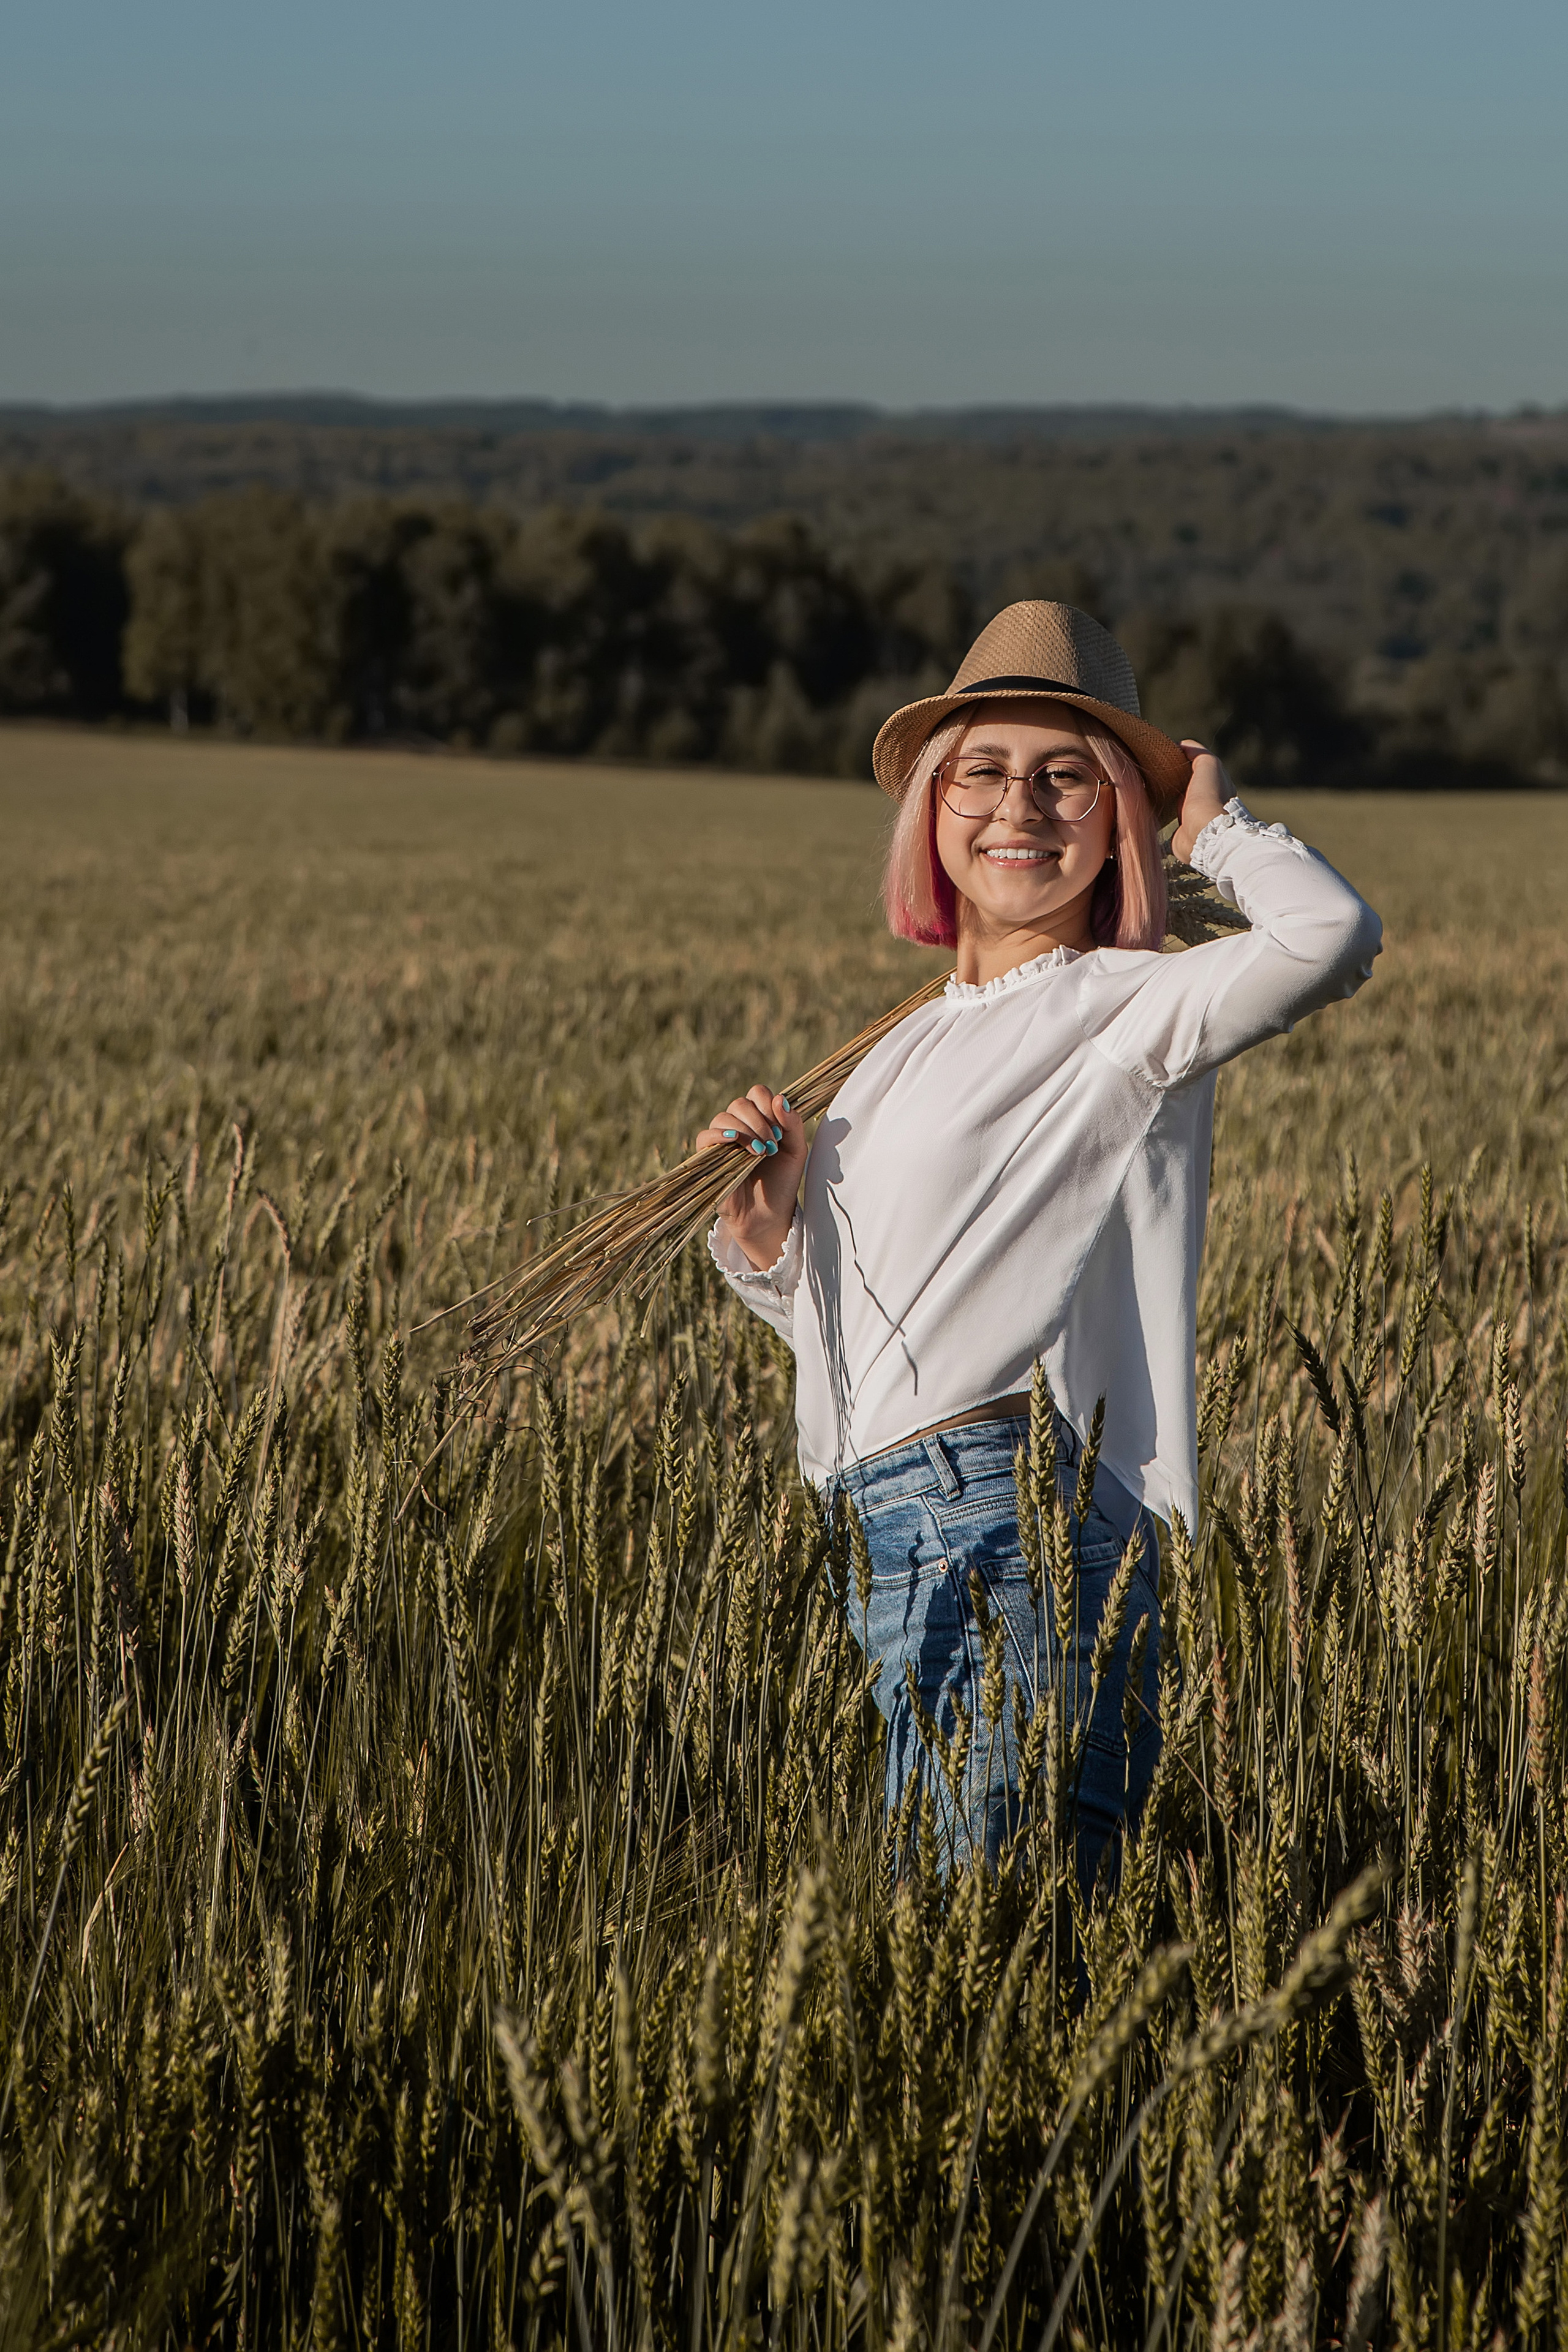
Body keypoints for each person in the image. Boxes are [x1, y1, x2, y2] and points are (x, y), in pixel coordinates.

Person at [695, 602, 1381, 1882]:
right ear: (932, 811)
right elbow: (884, 1320)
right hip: (885, 1525)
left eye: (1068, 777)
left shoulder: (1125, 1007)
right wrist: (764, 1240)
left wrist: (1216, 824)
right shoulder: (897, 1046)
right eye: (984, 773)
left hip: (1003, 1523)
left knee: (995, 1927)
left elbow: (1328, 939)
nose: (1021, 807)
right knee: (964, 1947)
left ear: (1119, 815)